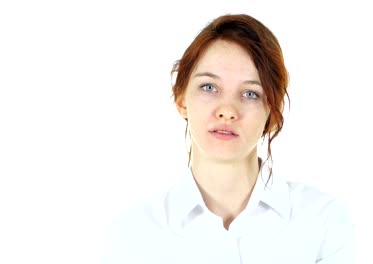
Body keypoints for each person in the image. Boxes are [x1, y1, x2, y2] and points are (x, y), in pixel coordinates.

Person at [102, 13, 356, 264]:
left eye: (250, 93)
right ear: (181, 99)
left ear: (273, 113)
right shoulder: (133, 235)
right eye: (209, 87)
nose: (227, 110)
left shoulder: (324, 222)